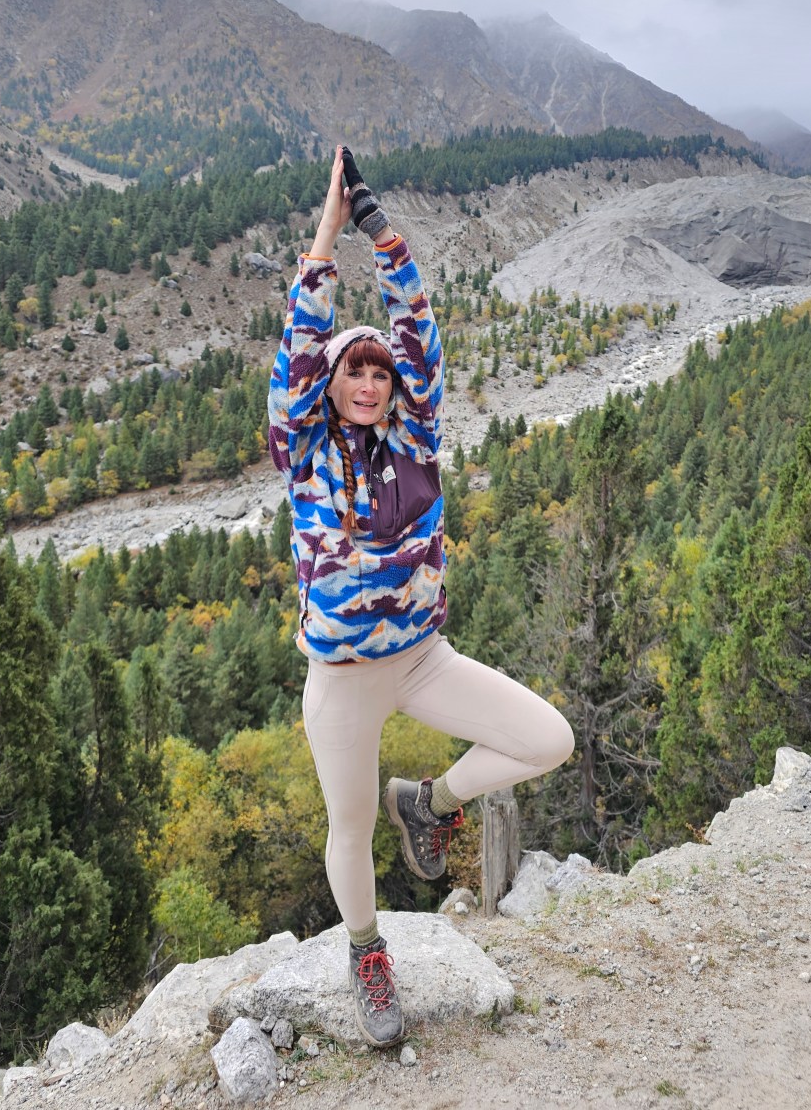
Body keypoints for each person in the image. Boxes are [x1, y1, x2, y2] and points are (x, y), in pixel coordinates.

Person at [268, 145, 575, 1048]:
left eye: (379, 373)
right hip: (342, 678)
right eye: (353, 372)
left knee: (546, 740)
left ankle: (431, 803)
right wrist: (328, 232)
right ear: (328, 385)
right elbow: (299, 341)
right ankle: (367, 954)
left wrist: (382, 233)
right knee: (349, 826)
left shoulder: (417, 439)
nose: (369, 383)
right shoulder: (302, 451)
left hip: (423, 657)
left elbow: (419, 327)